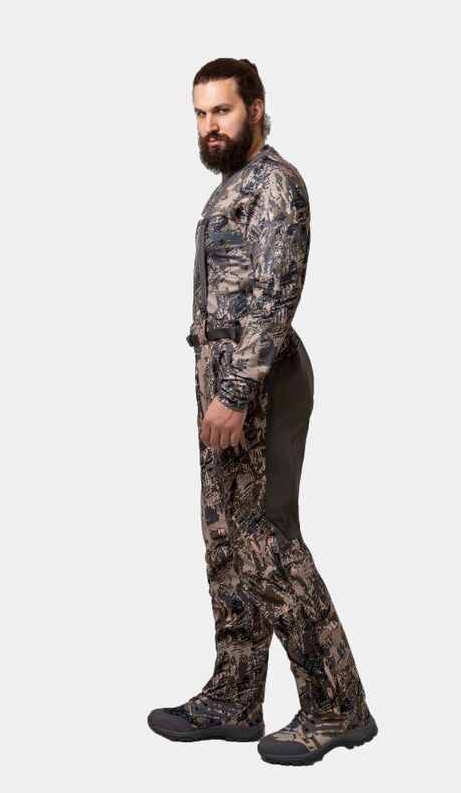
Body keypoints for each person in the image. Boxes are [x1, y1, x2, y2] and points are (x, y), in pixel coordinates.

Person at [147, 57, 377, 767]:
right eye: (200, 114)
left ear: (255, 106)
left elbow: (276, 294)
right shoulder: (232, 187)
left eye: (222, 110)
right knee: (226, 541)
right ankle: (235, 696)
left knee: (266, 538)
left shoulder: (274, 183)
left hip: (260, 384)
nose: (209, 126)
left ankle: (339, 706)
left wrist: (236, 391)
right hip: (224, 383)